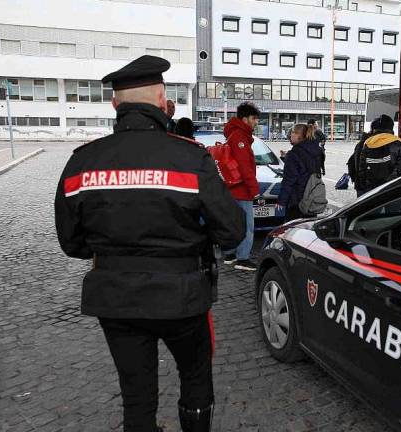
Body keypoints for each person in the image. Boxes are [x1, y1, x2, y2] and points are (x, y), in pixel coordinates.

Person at [54, 55, 246, 432]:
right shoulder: (191, 158)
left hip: (115, 298)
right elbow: (233, 231)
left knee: (136, 394)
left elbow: (71, 242)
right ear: (162, 101)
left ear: (115, 104)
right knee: (194, 378)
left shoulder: (83, 162)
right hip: (183, 296)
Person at [222, 102, 260, 271]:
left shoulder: (233, 133)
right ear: (245, 119)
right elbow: (245, 166)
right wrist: (254, 190)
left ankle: (230, 254)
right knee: (246, 225)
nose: (256, 122)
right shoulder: (240, 136)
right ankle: (243, 259)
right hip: (241, 189)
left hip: (232, 188)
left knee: (233, 222)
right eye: (254, 118)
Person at [349, 114, 401, 196]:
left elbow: (361, 169)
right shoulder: (398, 143)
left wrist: (363, 187)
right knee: (393, 209)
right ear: (391, 127)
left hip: (370, 189)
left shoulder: (367, 143)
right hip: (391, 188)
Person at [277, 123, 324, 220]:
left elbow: (289, 179)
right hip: (312, 196)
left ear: (299, 135)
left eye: (293, 133)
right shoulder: (316, 150)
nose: (290, 135)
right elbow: (307, 167)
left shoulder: (294, 154)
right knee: (308, 228)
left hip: (297, 200)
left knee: (293, 230)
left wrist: (281, 201)